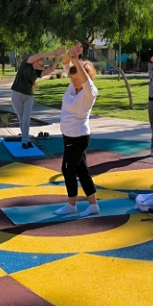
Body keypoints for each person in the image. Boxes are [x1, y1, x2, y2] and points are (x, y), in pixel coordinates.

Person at [54, 44, 100, 218]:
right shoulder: (73, 86)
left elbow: (85, 81)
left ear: (85, 76)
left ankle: (71, 205)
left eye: (76, 78)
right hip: (70, 136)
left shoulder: (90, 92)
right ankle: (93, 205)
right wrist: (71, 55)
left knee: (67, 169)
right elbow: (66, 64)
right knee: (81, 170)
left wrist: (76, 60)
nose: (73, 81)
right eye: (72, 78)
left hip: (78, 136)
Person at [10, 47, 65, 149]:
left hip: (29, 96)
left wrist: (57, 57)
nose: (38, 65)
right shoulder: (26, 64)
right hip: (16, 93)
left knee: (26, 119)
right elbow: (40, 55)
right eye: (39, 62)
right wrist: (54, 52)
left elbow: (51, 69)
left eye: (41, 65)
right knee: (21, 119)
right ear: (36, 60)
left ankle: (25, 141)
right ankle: (27, 139)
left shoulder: (37, 72)